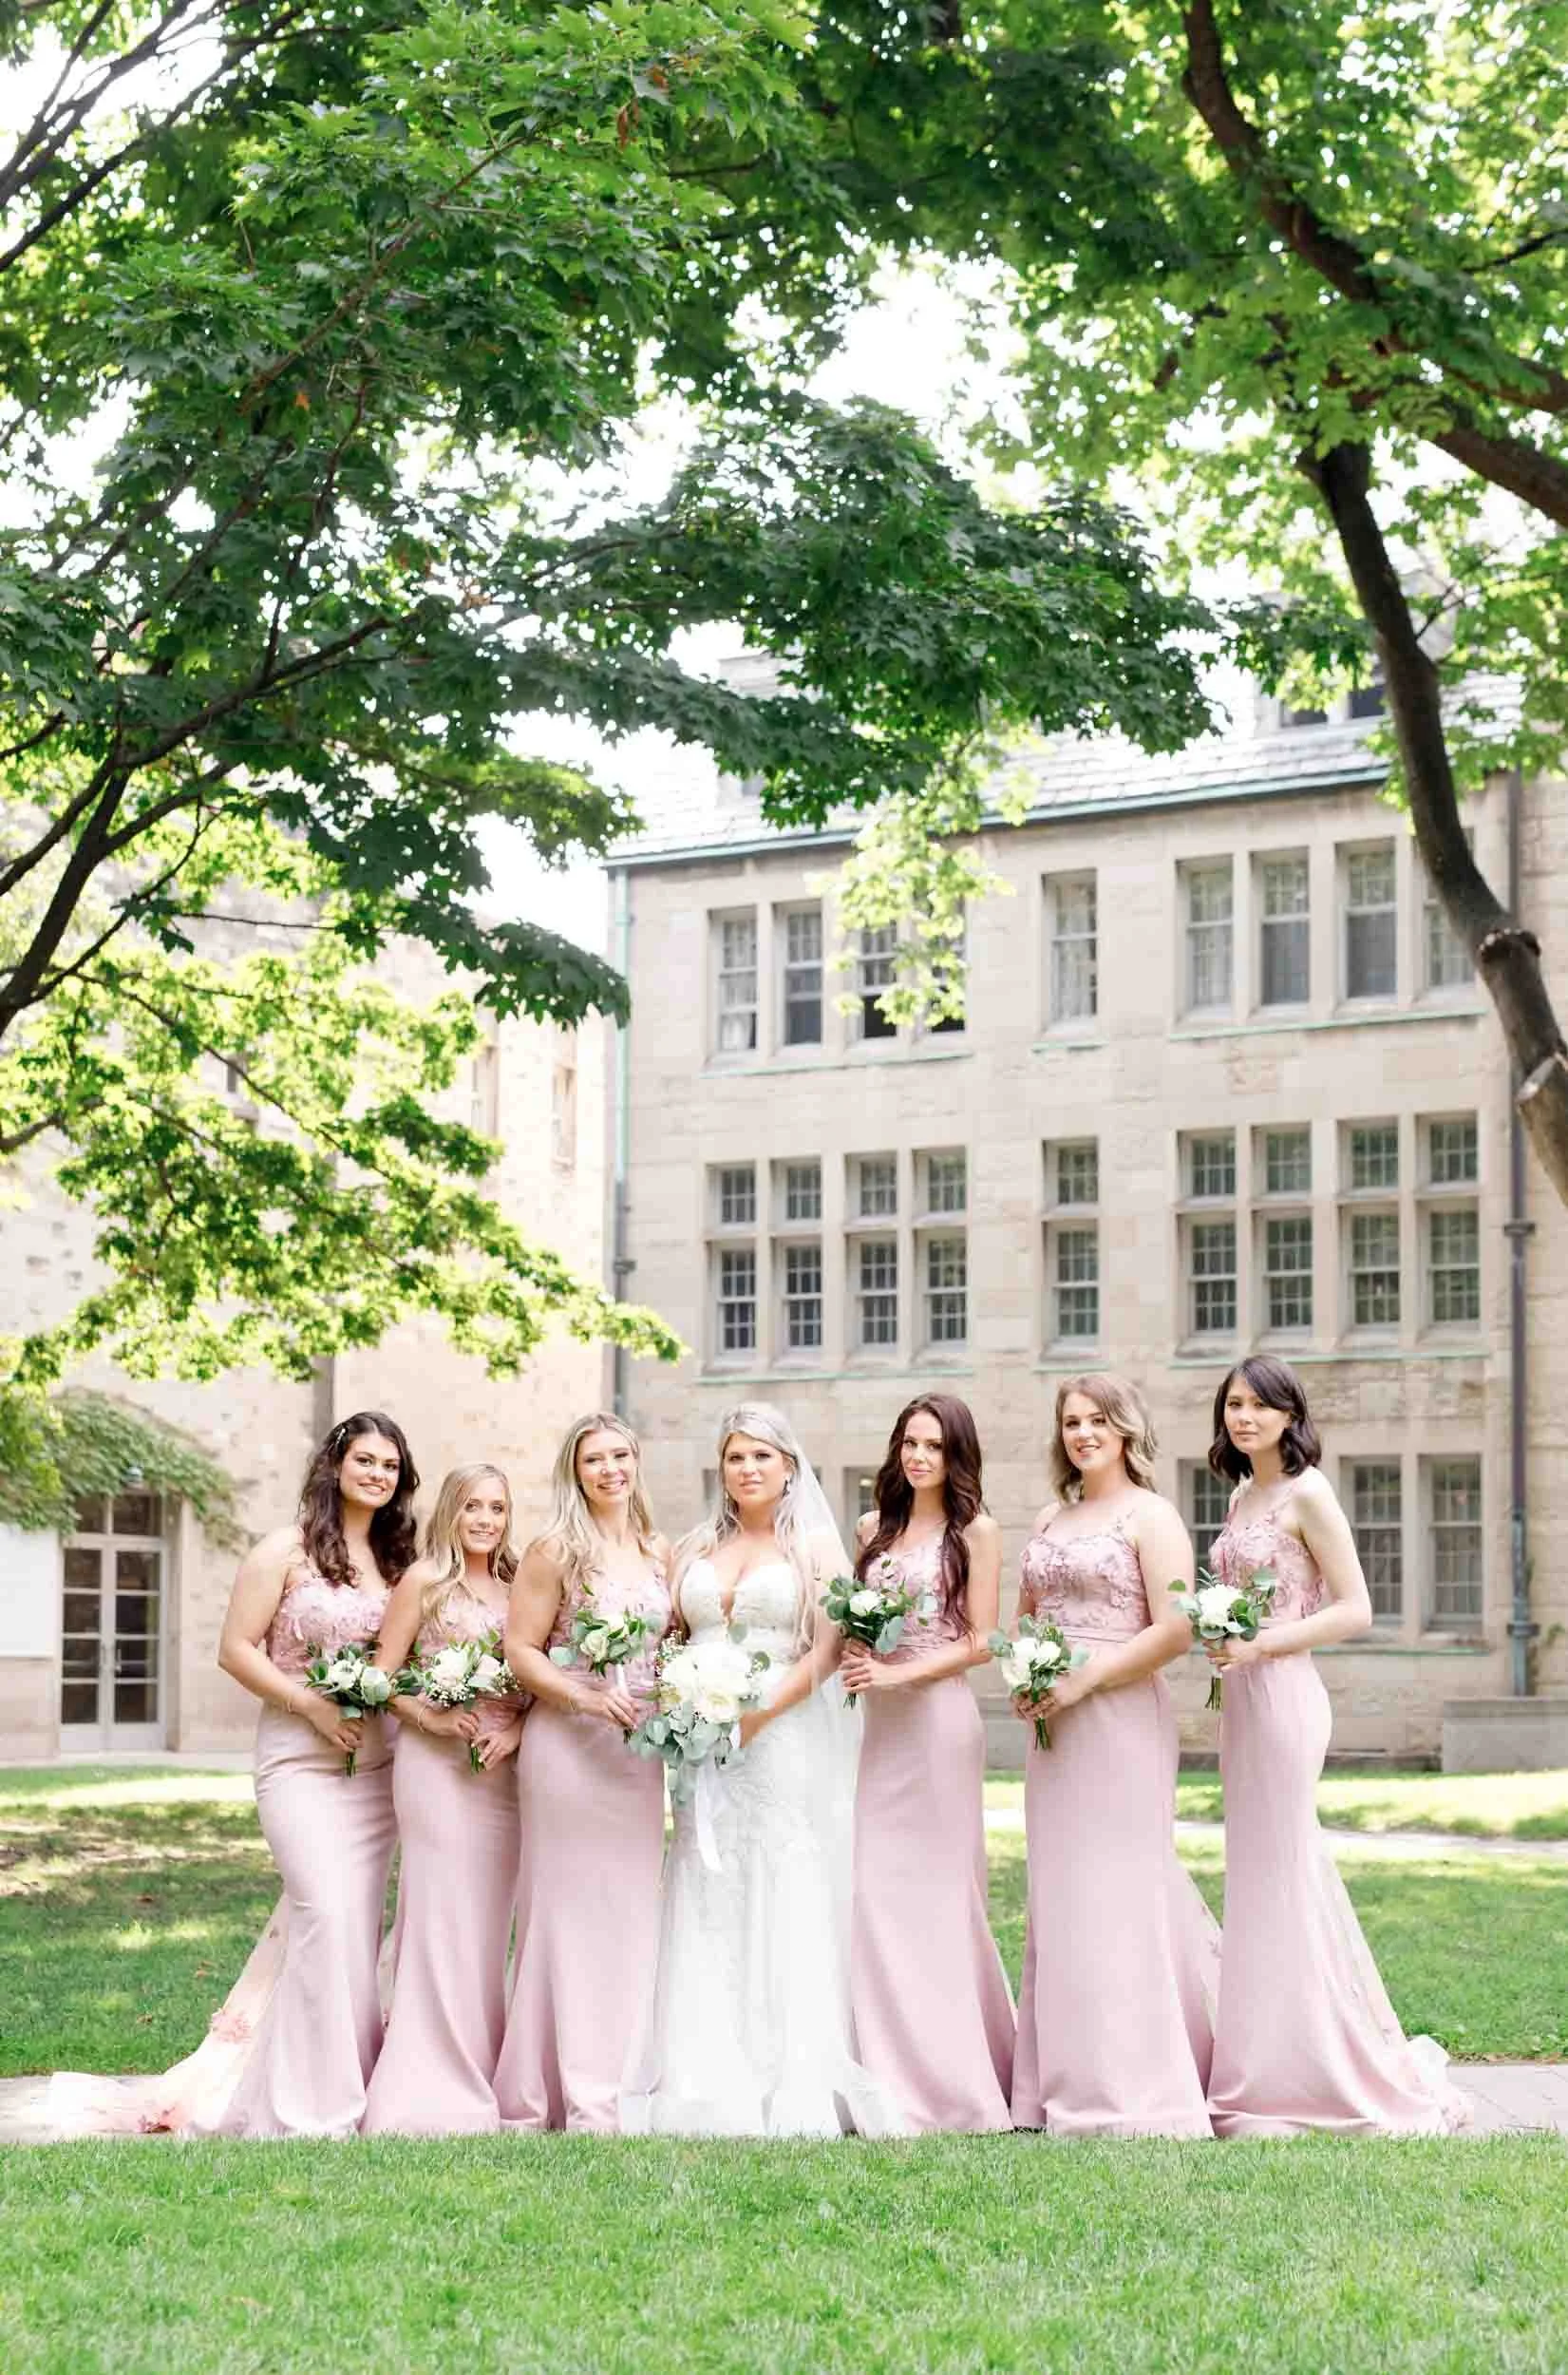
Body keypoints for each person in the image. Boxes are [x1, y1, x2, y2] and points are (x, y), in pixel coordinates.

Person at [620, 1403, 906, 2138]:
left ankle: (786, 2066)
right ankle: (702, 2064)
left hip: (778, 1737)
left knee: (778, 1876)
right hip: (703, 1748)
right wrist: (686, 1705)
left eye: (761, 1457)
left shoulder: (814, 1548)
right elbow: (675, 1639)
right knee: (706, 1875)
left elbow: (821, 1653)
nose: (747, 1469)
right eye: (735, 1457)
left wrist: (753, 1716)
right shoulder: (691, 1547)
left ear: (787, 1466)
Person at [1201, 1357, 1470, 2136]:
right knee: (1252, 1873)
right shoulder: (1240, 1496)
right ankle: (1265, 2051)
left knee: (1286, 1865)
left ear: (1290, 1415)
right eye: (1233, 1405)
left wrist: (1262, 1646)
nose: (1242, 1417)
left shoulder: (1307, 1492)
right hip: (1242, 1701)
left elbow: (1355, 1608)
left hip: (1284, 1697)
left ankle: (1321, 2059)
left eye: (1258, 1405)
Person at [1011, 1374, 1216, 2137]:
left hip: (1119, 1714)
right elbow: (1027, 1615)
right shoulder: (1048, 1516)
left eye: (1097, 1420)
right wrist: (1026, 1674)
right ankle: (1055, 2080)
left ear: (1126, 1429)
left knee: (1118, 1886)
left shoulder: (1151, 1515)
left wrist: (1080, 1683)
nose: (1082, 1433)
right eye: (1070, 1421)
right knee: (1059, 1893)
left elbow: (1173, 1631)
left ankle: (1132, 2080)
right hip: (1052, 1727)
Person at [209, 1410, 417, 2138]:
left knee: (353, 1931)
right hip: (299, 1759)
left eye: (390, 1466)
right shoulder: (284, 1551)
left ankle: (346, 2087)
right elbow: (236, 1649)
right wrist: (313, 1708)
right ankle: (304, 2108)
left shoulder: (401, 1562)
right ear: (334, 1466)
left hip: (379, 1766)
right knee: (324, 1912)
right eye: (365, 1461)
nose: (377, 1475)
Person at [494, 1415, 673, 2131]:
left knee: (629, 1913)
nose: (609, 1470)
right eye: (593, 1459)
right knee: (563, 1915)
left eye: (620, 1455)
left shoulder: (659, 1550)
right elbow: (522, 1651)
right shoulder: (554, 1550)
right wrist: (586, 1698)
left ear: (637, 1461)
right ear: (574, 1471)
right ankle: (555, 2085)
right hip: (567, 1750)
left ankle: (627, 2076)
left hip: (636, 1757)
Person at [843, 1394, 1014, 2132]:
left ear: (956, 1456)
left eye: (934, 1446)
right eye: (909, 1442)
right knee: (873, 1892)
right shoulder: (870, 1532)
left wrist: (900, 1674)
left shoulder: (975, 1530)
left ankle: (955, 2078)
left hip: (938, 1722)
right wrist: (859, 1654)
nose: (918, 1456)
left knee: (942, 1894)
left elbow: (983, 1640)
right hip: (876, 1729)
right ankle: (881, 2066)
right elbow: (857, 1621)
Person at [360, 1464, 525, 2136]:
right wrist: (427, 1718)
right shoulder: (424, 1581)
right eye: (472, 1507)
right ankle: (425, 2074)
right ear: (450, 1513)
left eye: (497, 1507)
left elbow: (538, 1677)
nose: (485, 1520)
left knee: (489, 1923)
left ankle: (483, 2065)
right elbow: (379, 1676)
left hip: (501, 1774)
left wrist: (513, 1728)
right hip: (434, 1768)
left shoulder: (521, 1586)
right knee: (436, 1914)